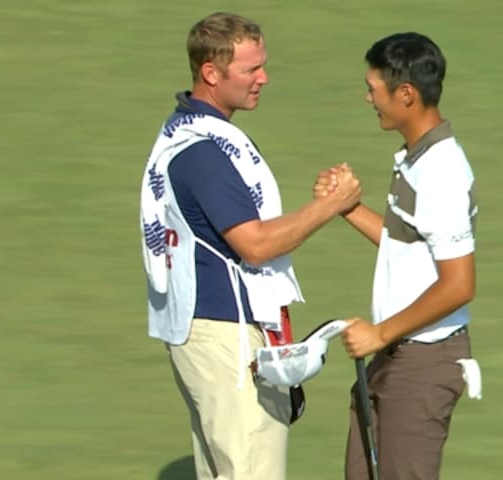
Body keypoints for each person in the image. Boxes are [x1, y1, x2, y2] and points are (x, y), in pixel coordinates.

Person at [139, 12, 360, 480]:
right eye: (250, 69)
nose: (264, 78)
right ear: (211, 73)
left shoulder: (188, 132)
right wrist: (332, 205)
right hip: (226, 336)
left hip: (206, 330)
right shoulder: (204, 153)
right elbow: (255, 245)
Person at [315, 32, 478, 480]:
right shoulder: (416, 159)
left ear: (405, 94)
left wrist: (379, 333)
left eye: (374, 88)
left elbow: (459, 284)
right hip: (398, 355)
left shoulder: (440, 170)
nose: (369, 98)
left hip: (422, 361)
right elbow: (407, 244)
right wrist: (346, 208)